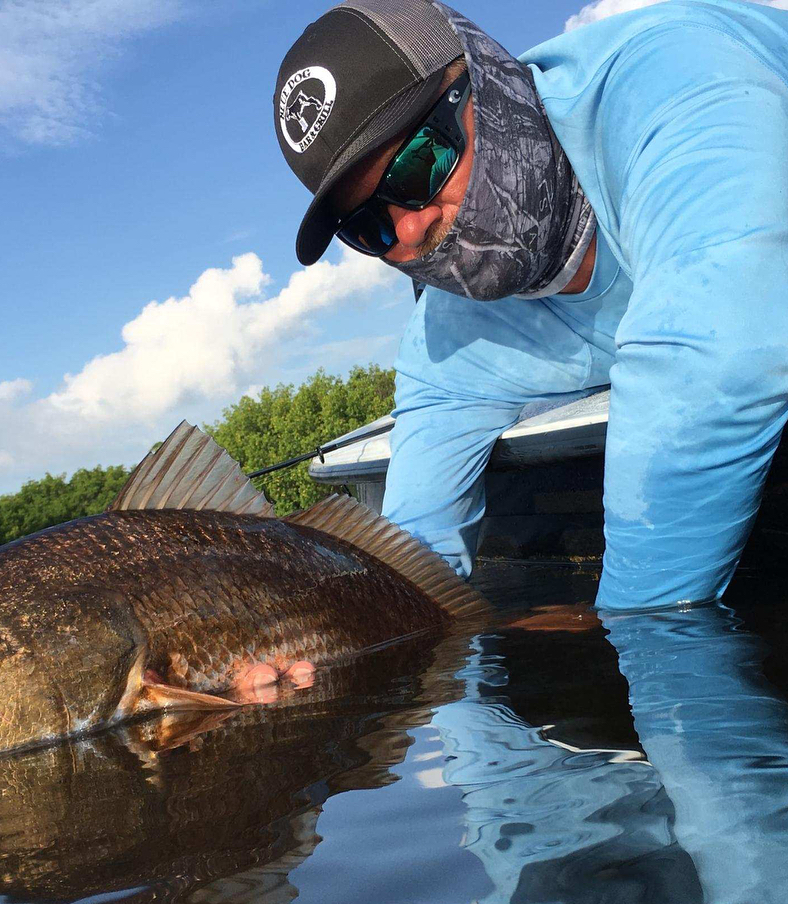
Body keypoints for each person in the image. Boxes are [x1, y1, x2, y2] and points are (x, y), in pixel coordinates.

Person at [272, 0, 788, 612]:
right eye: (368, 227)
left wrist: (638, 637)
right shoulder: (445, 341)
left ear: (489, 79)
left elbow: (724, 356)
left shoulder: (677, 79)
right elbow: (414, 574)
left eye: (419, 165)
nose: (408, 231)